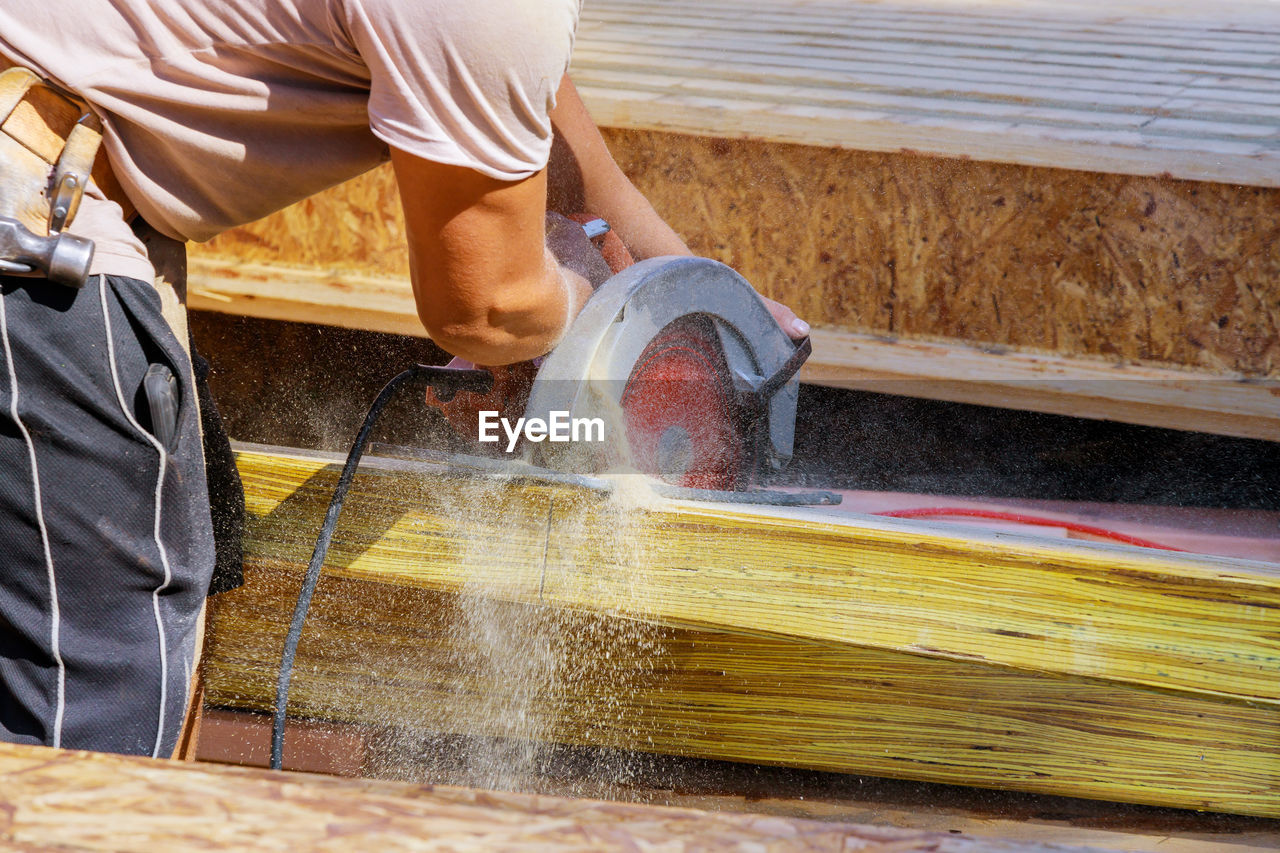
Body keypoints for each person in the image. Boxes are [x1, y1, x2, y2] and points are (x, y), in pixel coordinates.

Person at [0, 0, 807, 758]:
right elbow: (484, 308)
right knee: (99, 695)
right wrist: (580, 310)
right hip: (37, 215)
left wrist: (684, 281)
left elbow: (524, 108)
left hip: (56, 172)